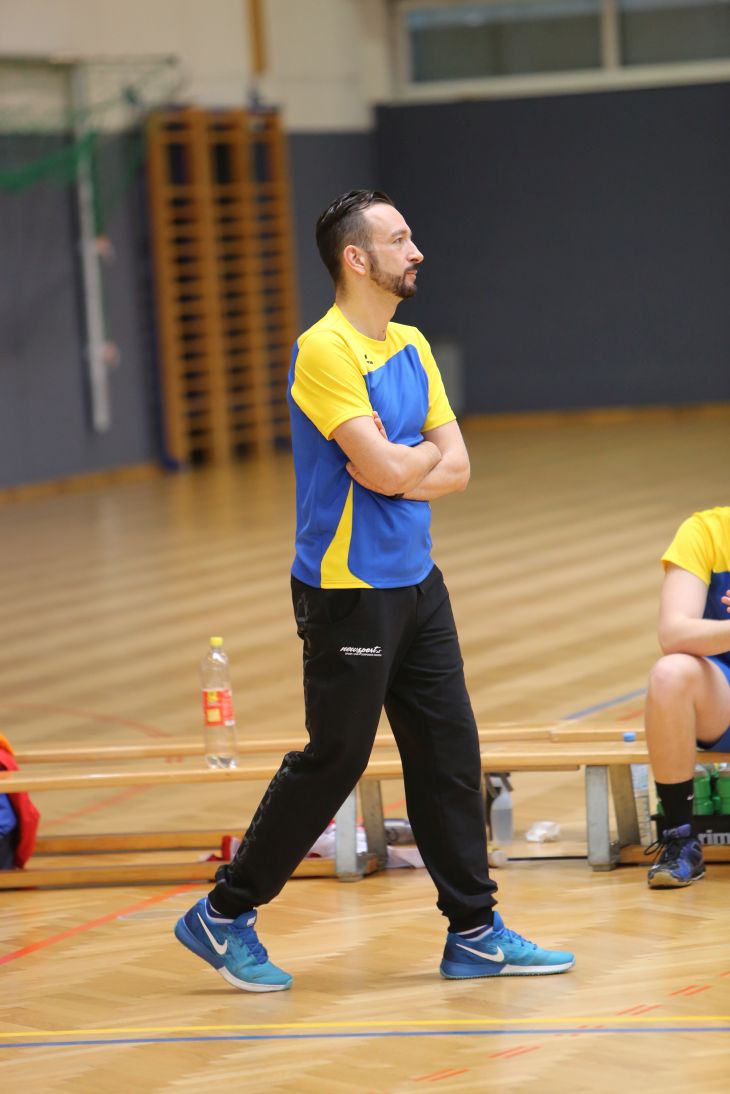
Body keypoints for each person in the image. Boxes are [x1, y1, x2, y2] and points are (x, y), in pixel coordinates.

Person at [175, 189, 575, 990]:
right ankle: (223, 913)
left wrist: (404, 462)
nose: (415, 250)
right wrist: (410, 459)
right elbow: (395, 466)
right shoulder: (323, 350)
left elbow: (452, 469)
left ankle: (475, 932)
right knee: (336, 760)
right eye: (399, 239)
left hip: (418, 582)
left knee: (449, 756)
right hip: (348, 592)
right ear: (357, 259)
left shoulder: (412, 345)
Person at [644, 506, 730, 888]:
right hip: (723, 697)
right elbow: (673, 634)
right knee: (670, 674)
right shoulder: (707, 531)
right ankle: (680, 840)